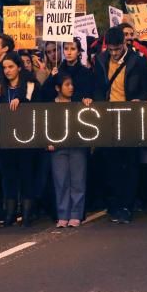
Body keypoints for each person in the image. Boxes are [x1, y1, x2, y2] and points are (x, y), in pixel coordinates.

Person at [93, 25, 147, 224]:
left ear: (125, 44)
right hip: (108, 117)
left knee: (130, 163)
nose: (115, 53)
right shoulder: (99, 60)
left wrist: (139, 100)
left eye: (118, 49)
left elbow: (146, 88)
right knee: (111, 163)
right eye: (111, 50)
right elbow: (97, 87)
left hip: (129, 117)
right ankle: (115, 203)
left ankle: (127, 205)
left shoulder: (138, 62)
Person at [0, 52, 43, 227]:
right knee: (8, 176)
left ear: (19, 68)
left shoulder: (30, 86)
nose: (7, 71)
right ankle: (10, 213)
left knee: (26, 175)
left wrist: (21, 100)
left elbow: (37, 107)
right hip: (6, 137)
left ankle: (27, 213)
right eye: (5, 67)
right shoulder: (1, 88)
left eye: (11, 67)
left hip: (26, 137)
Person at [49, 72, 88, 227]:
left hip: (77, 146)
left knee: (78, 181)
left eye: (71, 84)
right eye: (67, 85)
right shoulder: (50, 106)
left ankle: (76, 214)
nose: (71, 87)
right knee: (61, 181)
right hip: (58, 148)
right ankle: (62, 214)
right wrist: (48, 142)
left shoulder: (78, 103)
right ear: (58, 88)